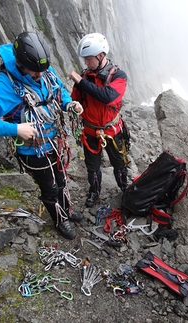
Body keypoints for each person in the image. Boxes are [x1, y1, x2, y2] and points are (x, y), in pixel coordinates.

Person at [0, 31, 84, 239]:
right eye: (34, 72)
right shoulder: (4, 85)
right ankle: (60, 220)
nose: (40, 75)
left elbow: (58, 90)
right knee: (49, 186)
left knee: (61, 179)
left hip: (54, 140)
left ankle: (67, 210)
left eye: (42, 70)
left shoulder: (44, 70)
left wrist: (69, 104)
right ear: (20, 65)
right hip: (33, 148)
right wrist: (15, 129)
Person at [69, 33, 130, 208]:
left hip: (112, 130)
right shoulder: (84, 77)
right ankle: (94, 192)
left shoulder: (119, 76)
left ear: (101, 56)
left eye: (89, 59)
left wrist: (80, 81)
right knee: (92, 166)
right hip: (90, 130)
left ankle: (124, 188)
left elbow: (107, 96)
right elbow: (75, 99)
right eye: (85, 60)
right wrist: (73, 107)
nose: (86, 63)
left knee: (119, 163)